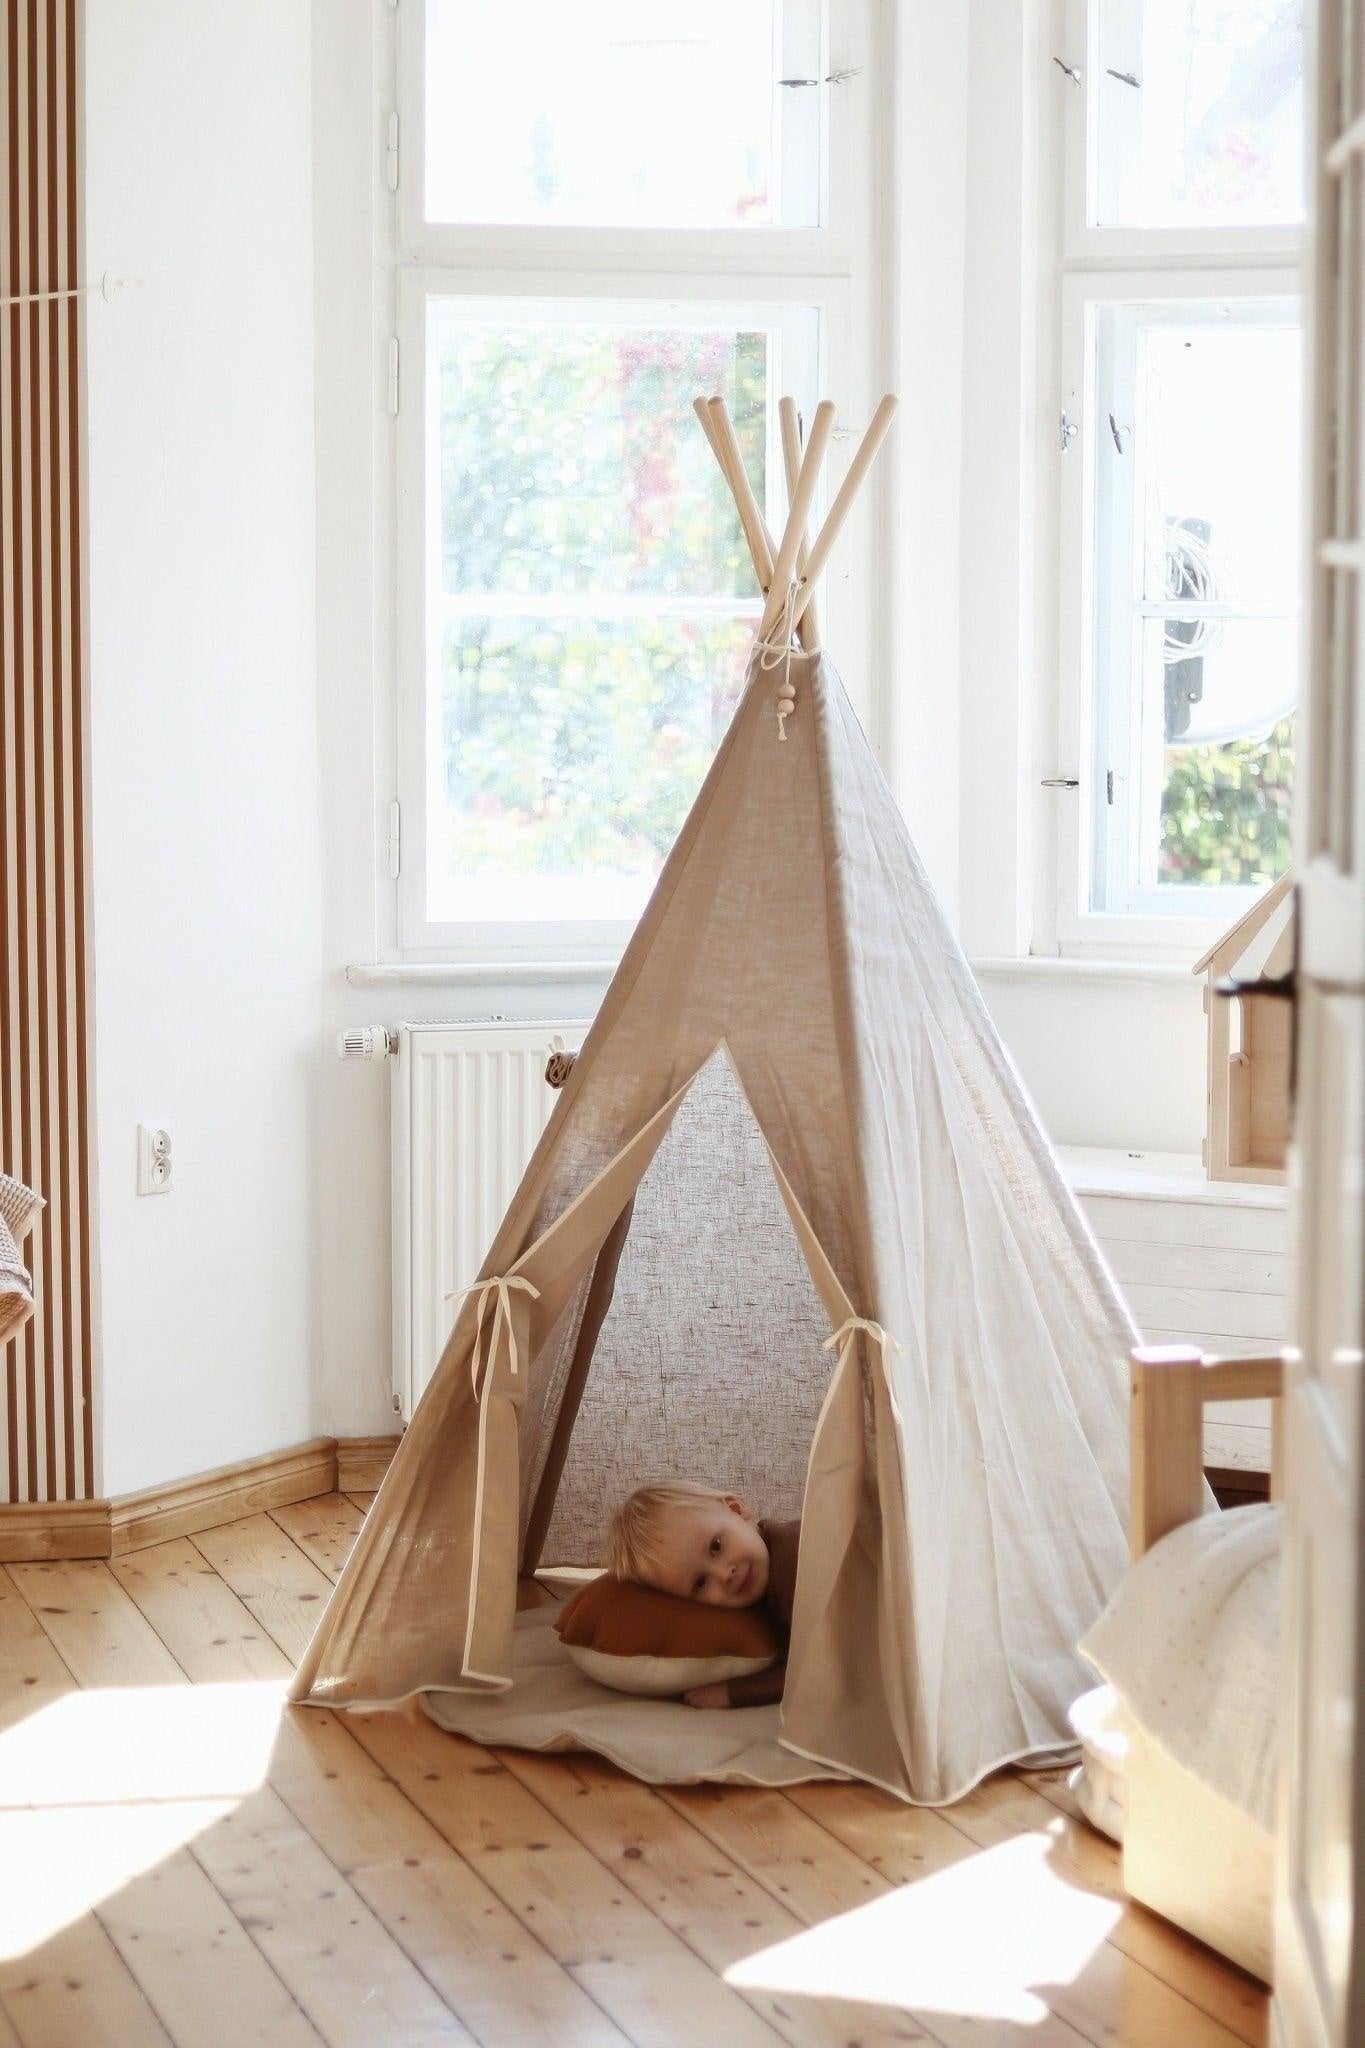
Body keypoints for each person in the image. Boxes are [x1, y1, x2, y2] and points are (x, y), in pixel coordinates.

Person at [606, 1480, 799, 1708]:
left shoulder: (793, 1562)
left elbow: (826, 1665)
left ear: (736, 1509)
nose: (724, 1574)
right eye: (700, 1584)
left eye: (715, 1546)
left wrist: (739, 1692)